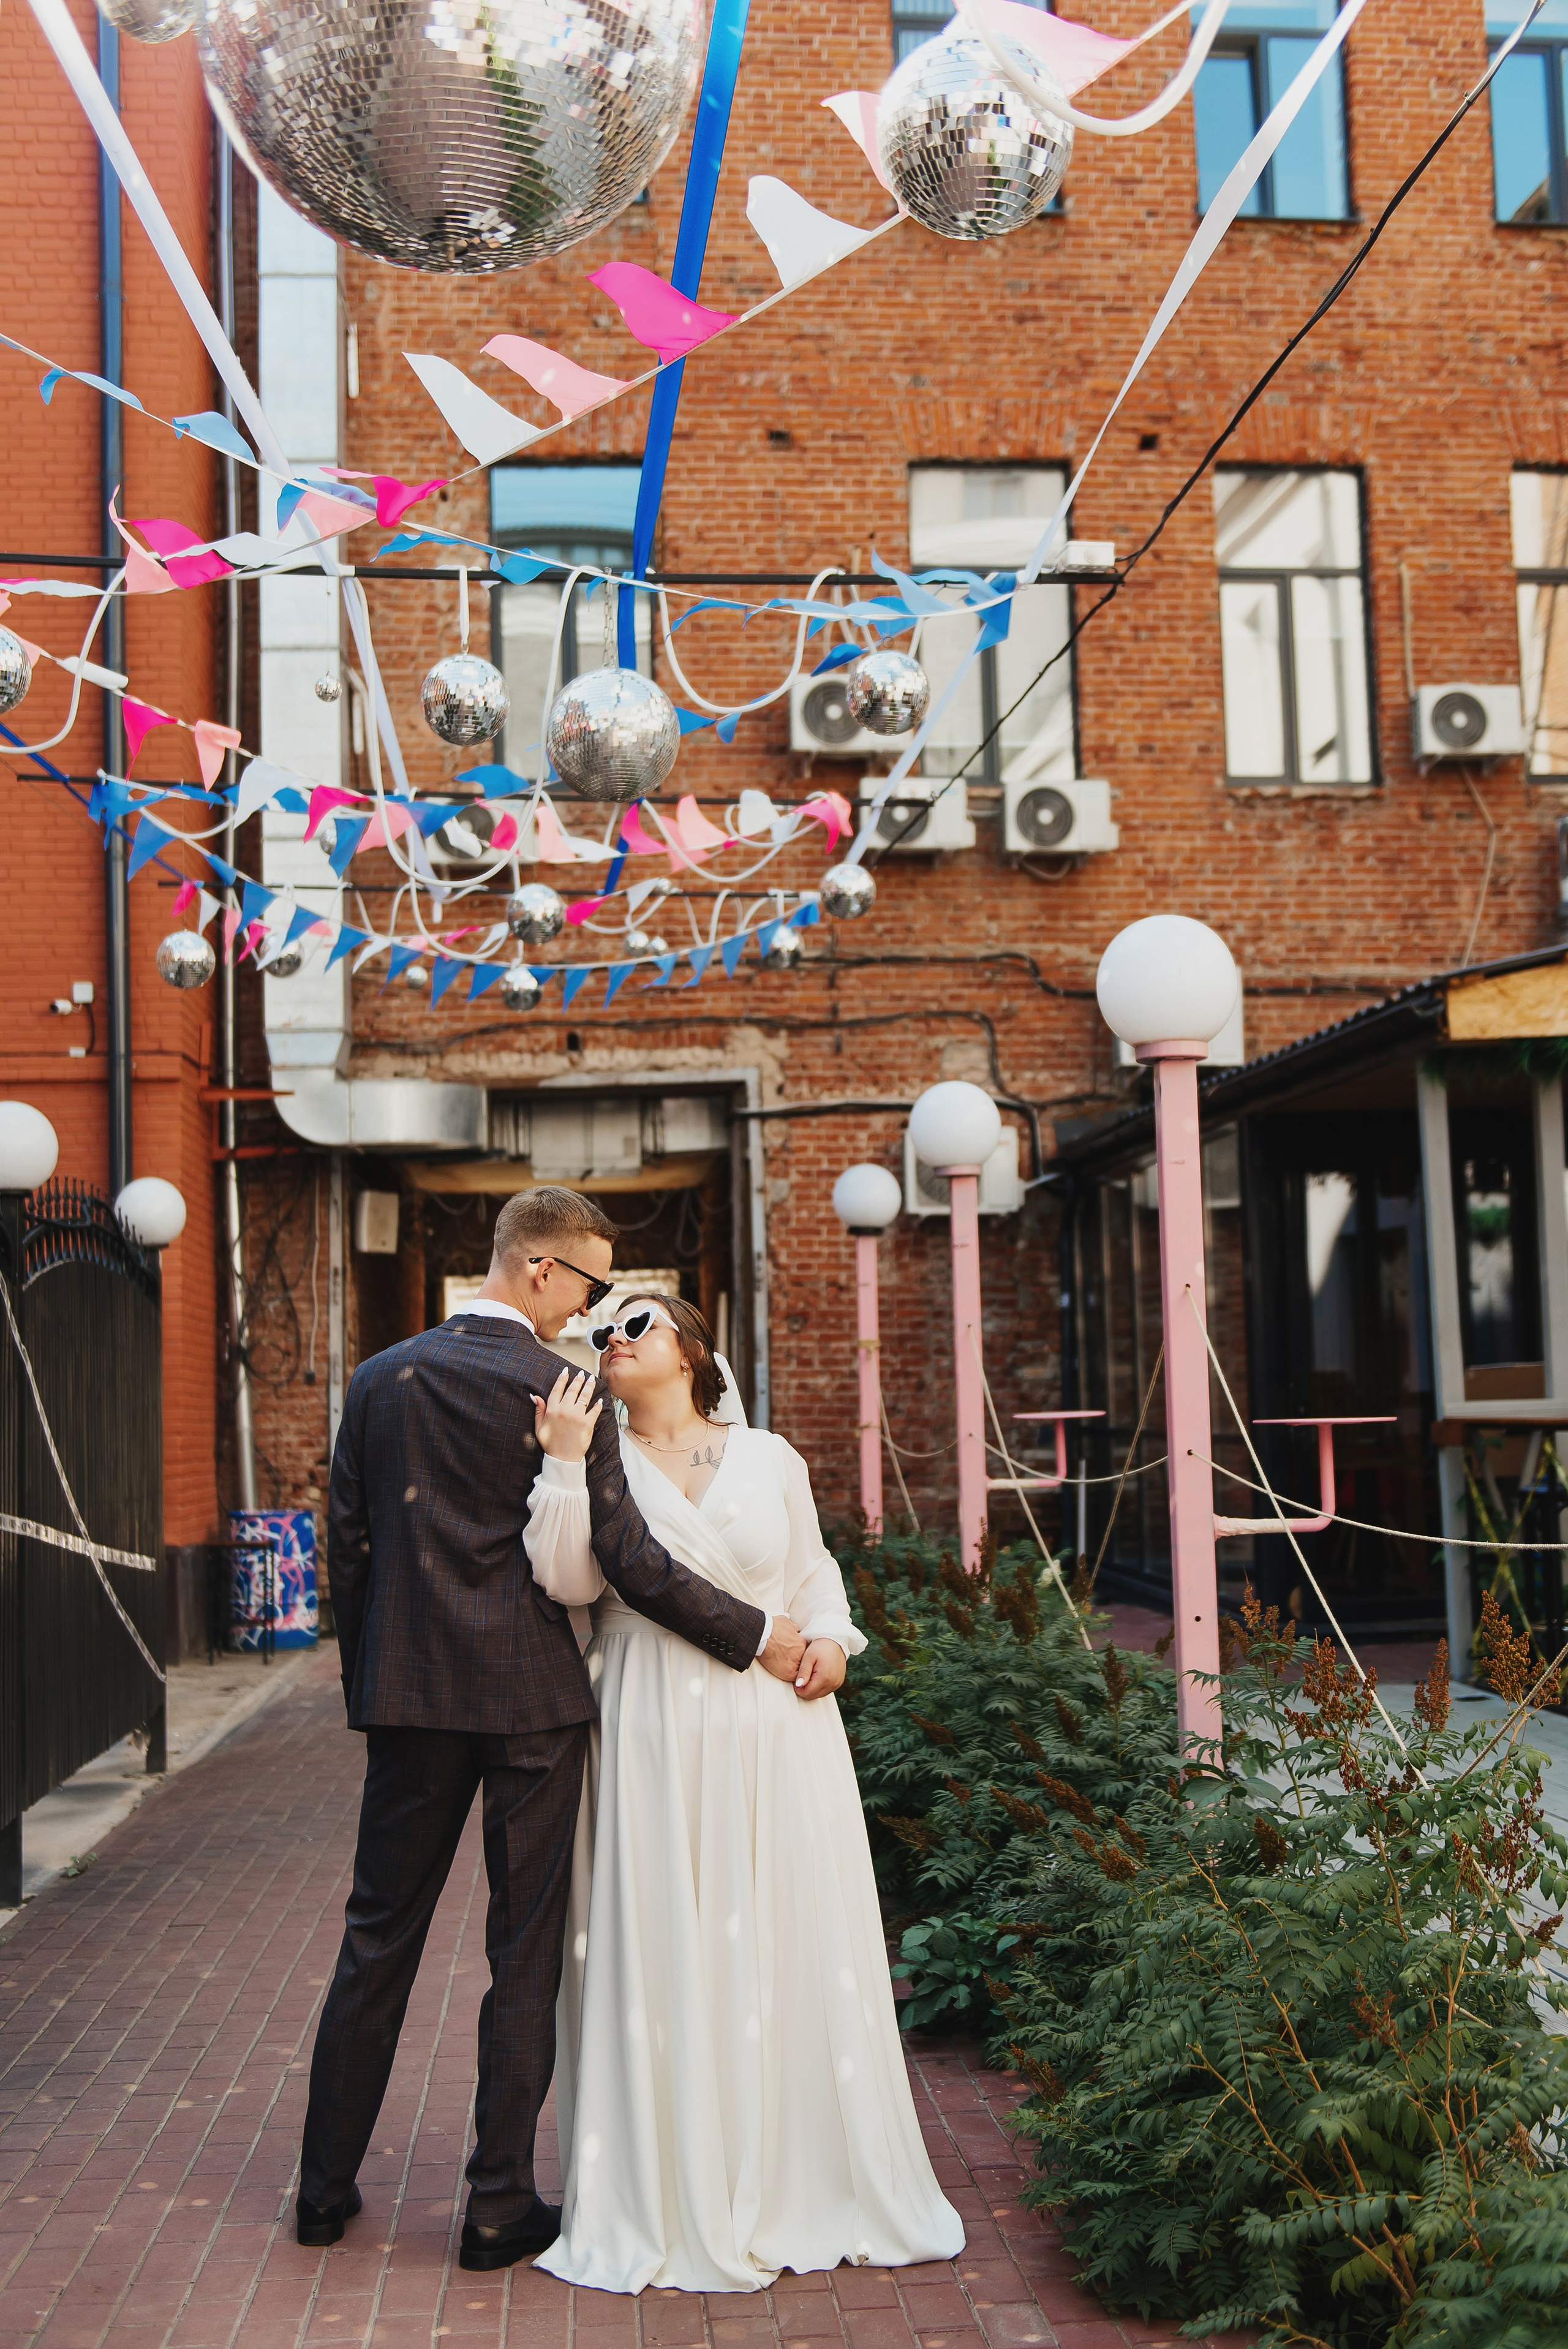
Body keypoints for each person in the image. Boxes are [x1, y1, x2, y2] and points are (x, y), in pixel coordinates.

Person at [298, 1191, 807, 2272]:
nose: (590, 1313)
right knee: (522, 1955)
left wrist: (371, 1685)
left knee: (375, 1938)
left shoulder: (377, 1379)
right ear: (538, 1269)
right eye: (586, 1286)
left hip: (410, 1703)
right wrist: (754, 1634)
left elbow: (348, 1551)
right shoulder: (561, 1388)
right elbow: (627, 1560)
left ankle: (321, 2191)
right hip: (535, 1706)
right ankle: (495, 2208)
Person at [524, 1293, 965, 2294]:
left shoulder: (769, 1456)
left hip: (776, 1726)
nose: (612, 1343)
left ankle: (792, 2174)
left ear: (689, 1346)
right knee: (663, 1942)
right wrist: (557, 1460)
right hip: (644, 1721)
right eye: (601, 1336)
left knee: (780, 1939)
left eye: (633, 1324)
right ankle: (677, 2192)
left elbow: (813, 1578)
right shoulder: (594, 1452)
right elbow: (567, 1585)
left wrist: (837, 1647)